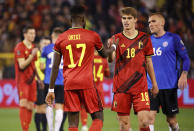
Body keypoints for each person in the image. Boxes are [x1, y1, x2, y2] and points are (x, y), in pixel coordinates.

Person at [45, 5, 117, 131]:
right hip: (87, 82)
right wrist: (114, 47)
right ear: (83, 20)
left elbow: (55, 66)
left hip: (69, 83)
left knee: (73, 122)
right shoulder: (92, 36)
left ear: (70, 20)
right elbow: (104, 54)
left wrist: (51, 90)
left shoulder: (61, 38)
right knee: (98, 116)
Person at [108, 7, 159, 131]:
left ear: (135, 20)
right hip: (121, 88)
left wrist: (154, 83)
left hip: (140, 87)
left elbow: (149, 62)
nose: (126, 21)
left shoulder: (145, 38)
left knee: (145, 121)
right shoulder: (116, 38)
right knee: (123, 125)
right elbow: (111, 59)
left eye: (129, 18)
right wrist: (110, 50)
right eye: (124, 18)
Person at [147, 13, 190, 131]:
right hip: (151, 86)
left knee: (171, 121)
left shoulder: (173, 38)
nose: (150, 24)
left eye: (153, 21)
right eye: (149, 22)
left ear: (162, 23)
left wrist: (184, 74)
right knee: (149, 117)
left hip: (169, 86)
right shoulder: (147, 41)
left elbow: (185, 58)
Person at [14, 26, 44, 131]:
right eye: (30, 33)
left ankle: (26, 127)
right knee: (23, 103)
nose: (33, 35)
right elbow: (22, 65)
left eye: (34, 33)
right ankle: (25, 129)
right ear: (25, 34)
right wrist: (32, 55)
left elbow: (33, 65)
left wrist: (39, 79)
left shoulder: (33, 47)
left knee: (31, 105)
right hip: (22, 80)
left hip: (32, 80)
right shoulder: (19, 47)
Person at [41, 27, 67, 131]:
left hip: (49, 81)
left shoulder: (46, 49)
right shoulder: (66, 48)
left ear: (52, 36)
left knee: (49, 106)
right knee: (60, 107)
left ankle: (51, 129)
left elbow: (42, 65)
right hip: (62, 81)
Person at [80, 51, 110, 131]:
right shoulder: (103, 59)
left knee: (83, 106)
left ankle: (84, 126)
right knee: (99, 115)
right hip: (98, 88)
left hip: (87, 87)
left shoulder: (86, 58)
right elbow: (107, 74)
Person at [34, 37, 51, 131]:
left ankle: (43, 129)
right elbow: (35, 68)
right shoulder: (37, 54)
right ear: (40, 45)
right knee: (40, 108)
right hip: (39, 83)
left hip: (47, 84)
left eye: (48, 44)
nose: (46, 45)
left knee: (45, 108)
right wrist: (40, 80)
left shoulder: (49, 56)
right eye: (44, 43)